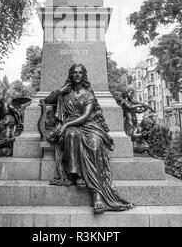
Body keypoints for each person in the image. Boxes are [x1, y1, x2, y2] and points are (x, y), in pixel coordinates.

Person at [44, 64, 134, 215]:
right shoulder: (65, 93)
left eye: (80, 72)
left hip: (88, 125)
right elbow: (48, 100)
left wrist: (65, 124)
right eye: (74, 72)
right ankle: (77, 174)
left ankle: (97, 194)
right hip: (71, 128)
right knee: (71, 135)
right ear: (71, 75)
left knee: (94, 145)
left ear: (83, 75)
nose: (77, 74)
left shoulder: (88, 94)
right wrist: (61, 90)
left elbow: (85, 116)